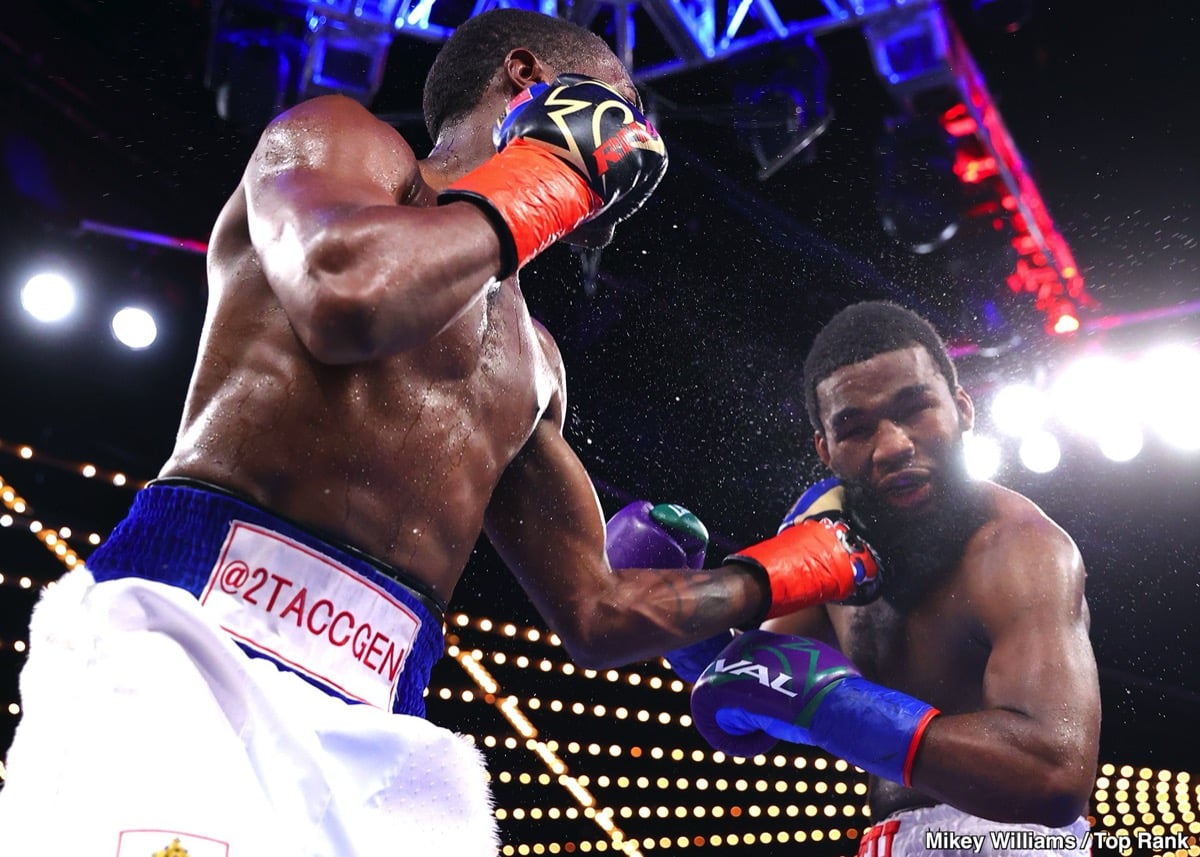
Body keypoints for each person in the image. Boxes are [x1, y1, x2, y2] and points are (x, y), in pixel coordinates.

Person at [0, 9, 887, 856]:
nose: (639, 144)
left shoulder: (533, 359)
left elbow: (596, 613)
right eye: (620, 106)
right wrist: (554, 175)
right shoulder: (342, 142)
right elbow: (344, 294)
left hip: (379, 713)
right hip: (187, 636)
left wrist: (786, 568)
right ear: (529, 80)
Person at [687, 300, 1102, 856]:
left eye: (915, 409)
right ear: (825, 449)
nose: (893, 446)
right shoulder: (832, 551)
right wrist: (693, 639)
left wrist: (834, 706)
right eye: (855, 428)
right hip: (890, 839)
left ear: (962, 408)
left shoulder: (1020, 548)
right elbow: (755, 691)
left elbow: (1054, 775)